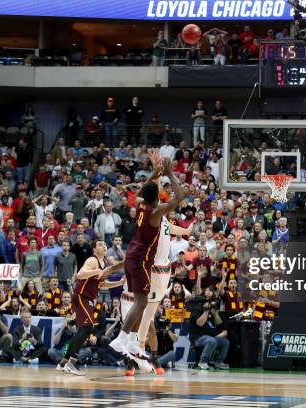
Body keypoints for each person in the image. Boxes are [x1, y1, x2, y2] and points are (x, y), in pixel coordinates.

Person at [109, 155, 186, 361]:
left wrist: (154, 174)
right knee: (142, 303)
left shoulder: (140, 205)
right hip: (142, 260)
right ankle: (121, 338)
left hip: (132, 256)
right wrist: (169, 173)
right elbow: (179, 197)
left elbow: (141, 190)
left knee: (138, 301)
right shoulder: (156, 212)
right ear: (158, 198)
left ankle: (133, 341)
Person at [55, 240, 124, 375]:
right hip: (81, 296)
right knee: (88, 327)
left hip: (88, 299)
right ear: (94, 250)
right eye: (100, 245)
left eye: (104, 244)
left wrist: (119, 282)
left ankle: (63, 362)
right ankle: (72, 362)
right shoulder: (92, 260)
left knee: (83, 330)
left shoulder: (104, 264)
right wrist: (95, 271)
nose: (104, 246)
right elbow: (80, 274)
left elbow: (101, 285)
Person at [189, 295, 229, 370]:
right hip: (198, 338)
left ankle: (218, 361)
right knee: (211, 341)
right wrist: (206, 312)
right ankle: (203, 361)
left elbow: (219, 324)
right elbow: (200, 323)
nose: (209, 305)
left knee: (225, 342)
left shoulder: (212, 312)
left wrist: (215, 314)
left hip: (211, 338)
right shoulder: (196, 312)